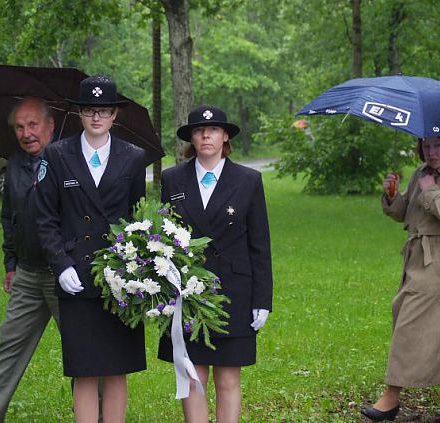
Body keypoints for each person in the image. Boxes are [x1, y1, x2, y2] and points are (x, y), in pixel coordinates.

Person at [36, 75, 146, 423]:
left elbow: (137, 217)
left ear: (115, 115)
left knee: (116, 369)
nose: (96, 117)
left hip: (120, 279)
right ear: (79, 114)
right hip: (77, 275)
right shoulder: (56, 155)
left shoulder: (133, 157)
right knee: (83, 370)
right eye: (89, 110)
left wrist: (136, 269)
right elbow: (45, 217)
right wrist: (60, 263)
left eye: (104, 110)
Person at [158, 105, 273, 423]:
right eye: (198, 130)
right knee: (193, 376)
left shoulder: (248, 180)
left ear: (225, 137)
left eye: (213, 130)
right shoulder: (172, 179)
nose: (206, 135)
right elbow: (165, 240)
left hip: (234, 292)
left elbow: (259, 245)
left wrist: (262, 300)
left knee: (228, 380)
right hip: (188, 293)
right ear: (191, 139)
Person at [363, 137, 440, 423]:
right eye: (427, 146)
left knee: (416, 322)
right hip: (420, 258)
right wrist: (392, 196)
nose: (431, 152)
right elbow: (405, 213)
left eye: (438, 146)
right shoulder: (420, 173)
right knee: (418, 318)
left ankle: (391, 396)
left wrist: (430, 191)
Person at [0, 97, 59, 422]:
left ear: (50, 125)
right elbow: (10, 218)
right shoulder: (16, 165)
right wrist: (11, 264)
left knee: (85, 353)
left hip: (66, 277)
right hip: (29, 275)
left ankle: (101, 415)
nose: (26, 133)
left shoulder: (69, 162)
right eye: (20, 127)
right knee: (7, 352)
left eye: (33, 124)